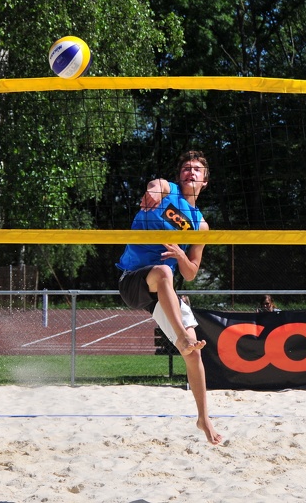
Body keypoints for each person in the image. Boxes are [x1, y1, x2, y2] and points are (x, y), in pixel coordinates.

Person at [116, 150, 222, 445]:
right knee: (163, 271)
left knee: (194, 354)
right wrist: (151, 191)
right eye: (187, 168)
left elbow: (190, 273)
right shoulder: (168, 190)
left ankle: (203, 417)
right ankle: (181, 338)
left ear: (205, 181)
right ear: (179, 177)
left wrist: (179, 254)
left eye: (197, 170)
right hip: (133, 280)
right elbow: (155, 186)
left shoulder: (200, 225)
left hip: (163, 289)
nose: (191, 172)